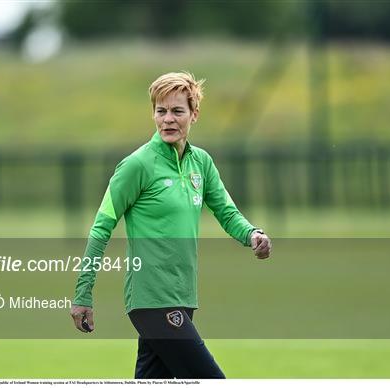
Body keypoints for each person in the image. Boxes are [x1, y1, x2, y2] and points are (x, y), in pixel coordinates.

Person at [71, 71, 272, 379]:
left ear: (194, 114)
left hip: (184, 295)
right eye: (160, 111)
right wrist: (83, 293)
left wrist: (252, 234)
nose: (167, 119)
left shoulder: (201, 163)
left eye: (177, 111)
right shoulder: (136, 165)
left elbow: (227, 212)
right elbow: (101, 228)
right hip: (151, 299)